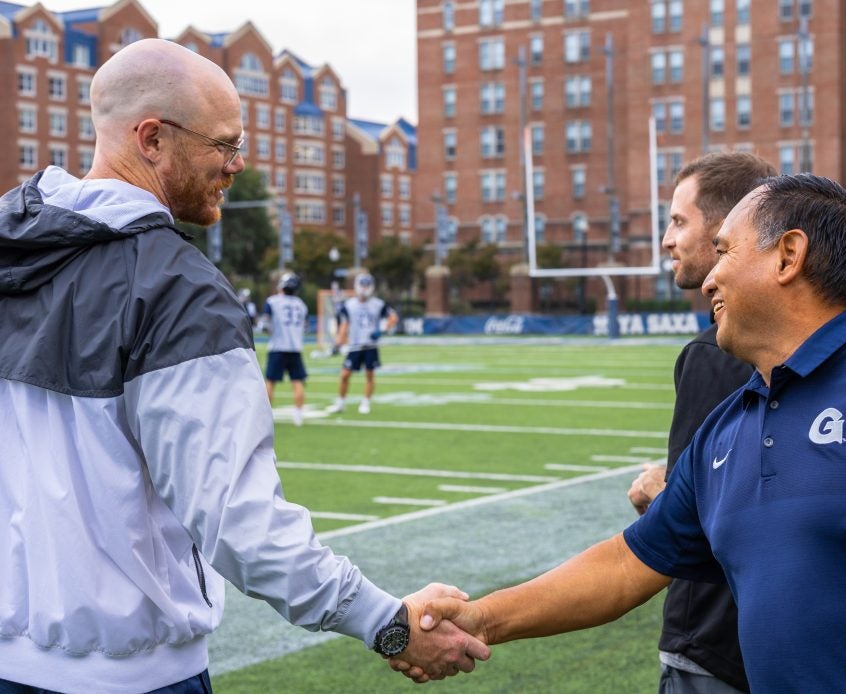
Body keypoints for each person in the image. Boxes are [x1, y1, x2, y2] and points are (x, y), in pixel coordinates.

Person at [400, 174, 846, 690]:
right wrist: (481, 617)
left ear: (788, 255)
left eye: (724, 251)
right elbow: (625, 565)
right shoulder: (732, 423)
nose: (706, 279)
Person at [0, 38, 487, 693]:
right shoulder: (177, 289)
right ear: (152, 138)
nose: (237, 164)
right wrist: (388, 622)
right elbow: (242, 524)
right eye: (224, 144)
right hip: (130, 676)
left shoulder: (14, 250)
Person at [627, 152, 775, 694]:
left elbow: (692, 519)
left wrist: (659, 495)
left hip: (714, 638)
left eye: (678, 221)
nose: (667, 239)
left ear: (725, 229)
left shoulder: (720, 352)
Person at [326, 272, 398, 415]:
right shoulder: (349, 305)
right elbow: (344, 325)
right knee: (345, 375)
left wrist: (382, 329)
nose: (365, 288)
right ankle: (340, 403)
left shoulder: (378, 304)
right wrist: (338, 341)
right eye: (362, 285)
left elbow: (393, 317)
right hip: (355, 345)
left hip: (370, 346)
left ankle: (366, 403)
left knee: (369, 375)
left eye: (367, 285)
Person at [263, 271, 309, 426]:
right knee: (297, 382)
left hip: (277, 347)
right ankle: (298, 416)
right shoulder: (301, 305)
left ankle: (265, 417)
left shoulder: (272, 301)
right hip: (295, 347)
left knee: (270, 382)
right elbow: (304, 326)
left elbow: (265, 325)